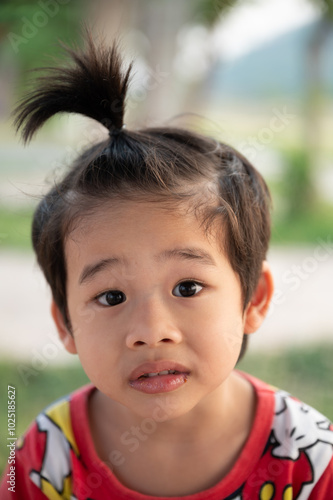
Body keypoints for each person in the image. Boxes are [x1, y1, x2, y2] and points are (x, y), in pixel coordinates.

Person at [1, 31, 332, 500]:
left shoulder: (310, 459)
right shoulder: (43, 457)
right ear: (66, 323)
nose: (152, 331)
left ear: (253, 298)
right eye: (111, 296)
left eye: (188, 287)